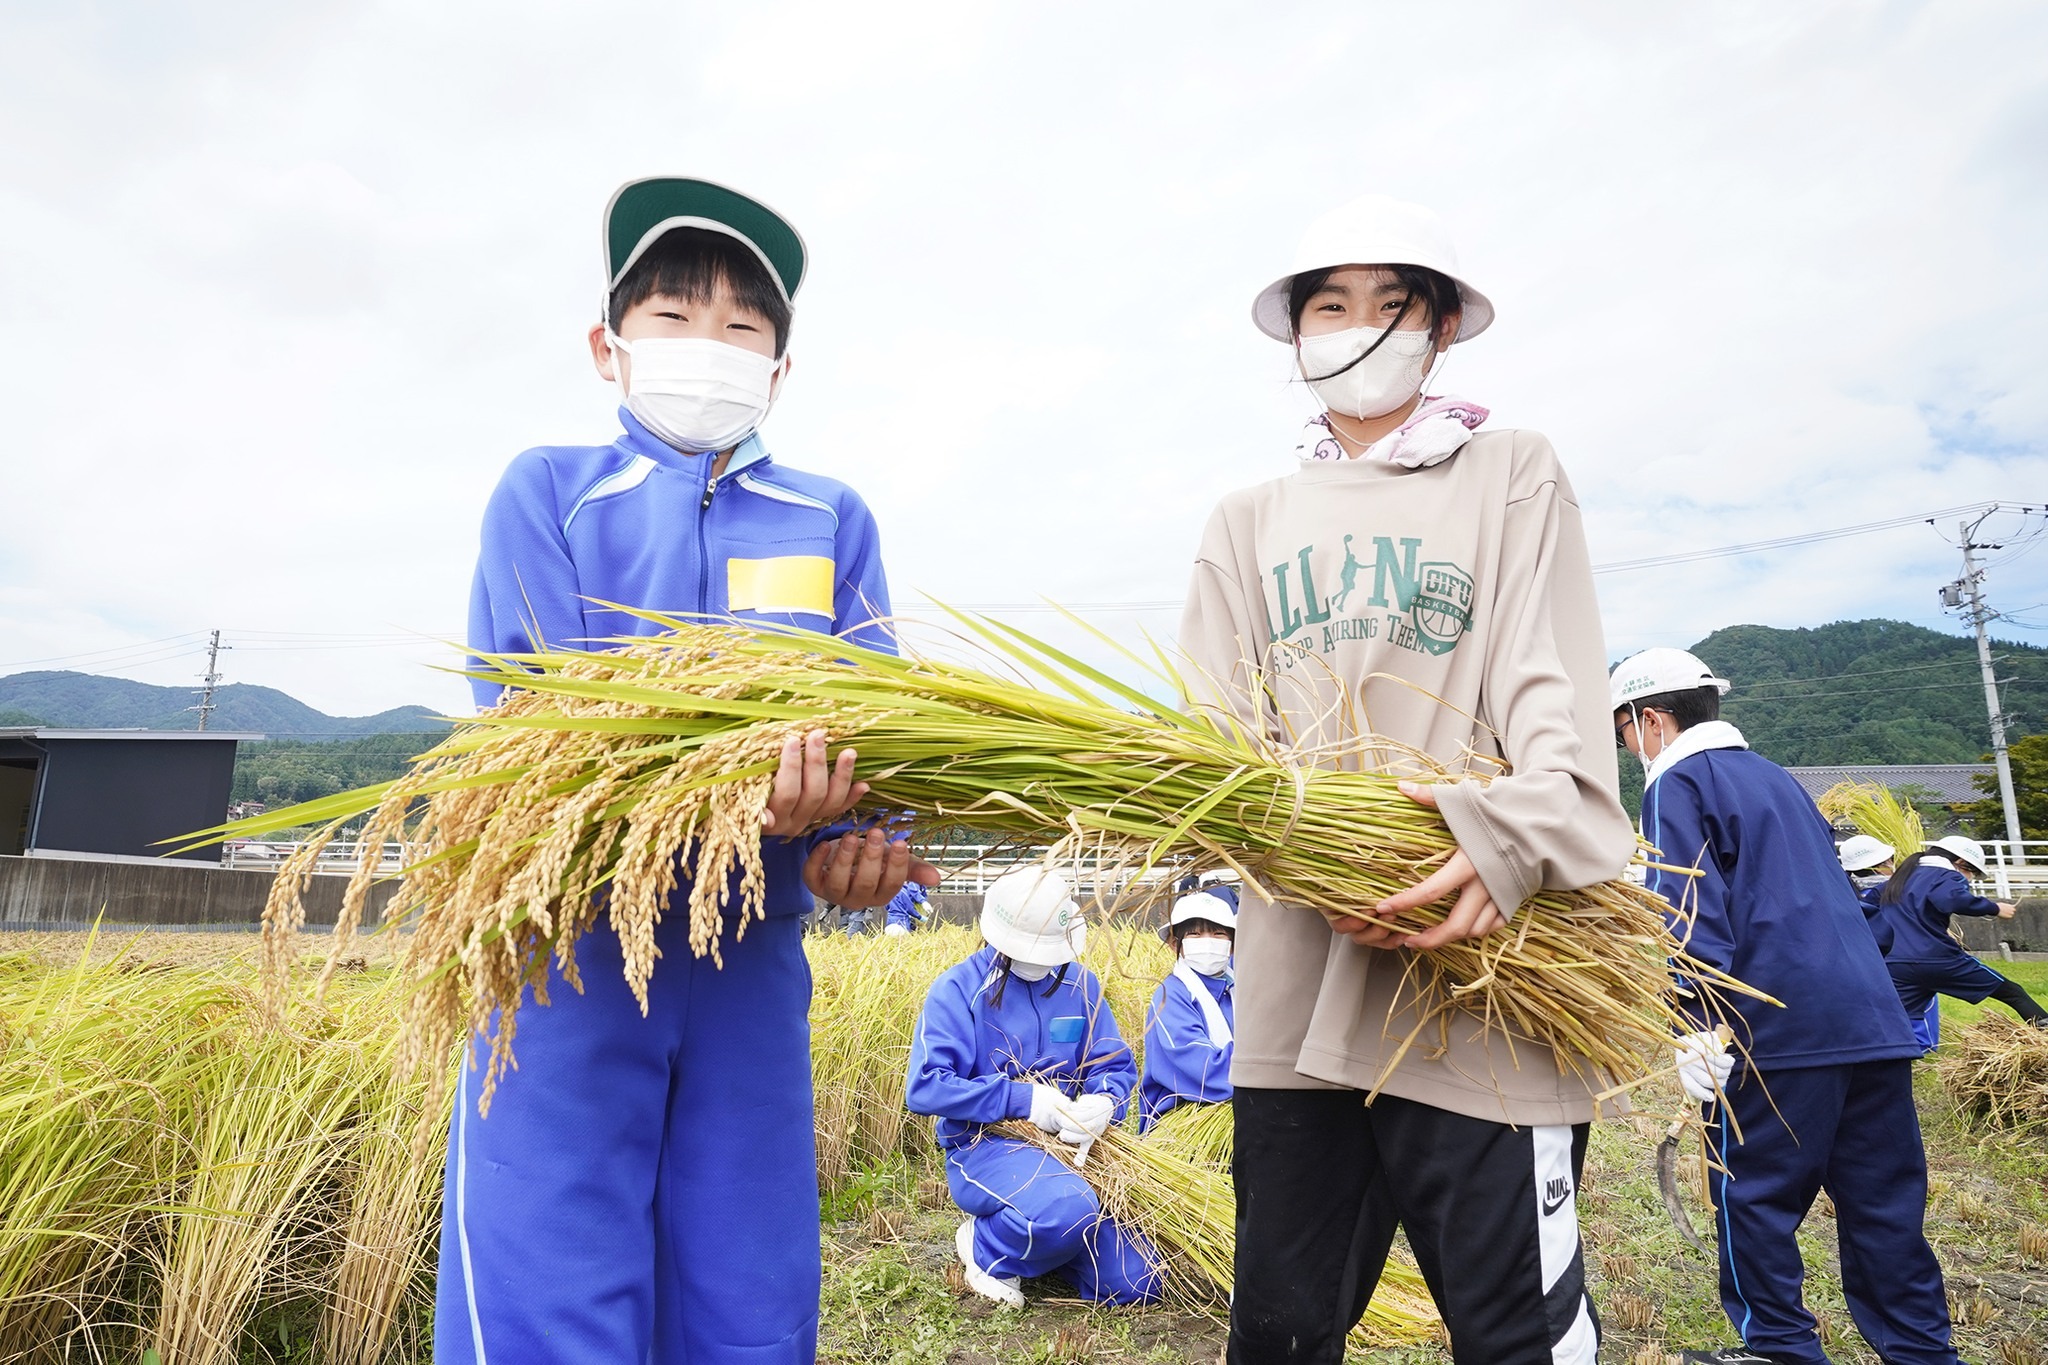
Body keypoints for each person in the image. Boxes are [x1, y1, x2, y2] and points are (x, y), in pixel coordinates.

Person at [444, 176, 937, 1364]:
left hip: (748, 967)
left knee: (745, 1297)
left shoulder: (827, 518)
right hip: (565, 953)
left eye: (741, 324)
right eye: (672, 315)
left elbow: (876, 738)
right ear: (607, 347)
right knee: (548, 1289)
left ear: (779, 367)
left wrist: (852, 851)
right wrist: (731, 801)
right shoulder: (550, 493)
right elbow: (531, 729)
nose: (706, 343)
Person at [1178, 194, 1636, 1365]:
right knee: (1278, 1334)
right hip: (1298, 981)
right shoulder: (1245, 522)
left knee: (1517, 1337)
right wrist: (1300, 856)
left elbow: (1546, 676)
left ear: (1437, 331)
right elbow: (1220, 743)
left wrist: (1511, 836)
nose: (1361, 329)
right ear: (1295, 338)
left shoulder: (1508, 473)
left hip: (1485, 967)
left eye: (1393, 305)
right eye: (1331, 306)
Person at [1615, 647, 1957, 1365]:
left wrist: (1695, 1024)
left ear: (1649, 719)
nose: (1629, 748)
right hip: (1871, 1019)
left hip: (1776, 1027)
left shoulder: (1677, 780)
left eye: (1624, 731)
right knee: (1884, 1203)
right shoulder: (1779, 778)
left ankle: (1780, 1349)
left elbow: (1686, 909)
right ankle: (1924, 1352)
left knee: (1753, 1196)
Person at [904, 867, 1162, 1308]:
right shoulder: (958, 990)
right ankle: (987, 1247)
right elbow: (926, 1087)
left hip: (1071, 1150)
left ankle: (1048, 1237)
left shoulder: (1081, 985)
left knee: (1137, 1280)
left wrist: (1104, 1102)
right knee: (1068, 1208)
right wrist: (1023, 1099)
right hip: (986, 1145)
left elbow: (1113, 1065)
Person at [1874, 834, 2046, 1028]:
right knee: (2013, 993)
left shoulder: (1902, 877)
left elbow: (1866, 903)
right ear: (1961, 862)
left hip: (1896, 963)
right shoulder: (1945, 874)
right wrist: (1995, 908)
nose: (1970, 879)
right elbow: (1949, 899)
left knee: (1898, 1020)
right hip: (1938, 960)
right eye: (1972, 873)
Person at [1137, 888, 1237, 1132]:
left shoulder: (1238, 989)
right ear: (1175, 944)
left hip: (1235, 1110)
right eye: (1194, 934)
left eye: (1218, 933)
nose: (1207, 941)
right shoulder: (1171, 996)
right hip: (1181, 1123)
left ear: (1233, 945)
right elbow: (1205, 1070)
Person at [1838, 835, 1940, 1049]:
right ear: (1881, 865)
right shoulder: (1902, 891)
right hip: (1908, 958)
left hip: (1869, 960)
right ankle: (1921, 1043)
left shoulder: (1847, 893)